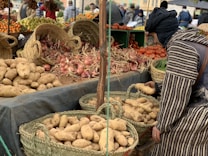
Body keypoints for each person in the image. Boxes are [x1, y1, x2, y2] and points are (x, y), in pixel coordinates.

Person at [144, 23, 208, 156]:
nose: (153, 42)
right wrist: (158, 87)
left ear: (159, 33)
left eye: (152, 37)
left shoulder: (181, 46)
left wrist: (162, 125)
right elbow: (188, 79)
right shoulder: (197, 43)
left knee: (171, 144)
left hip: (199, 113)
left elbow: (177, 94)